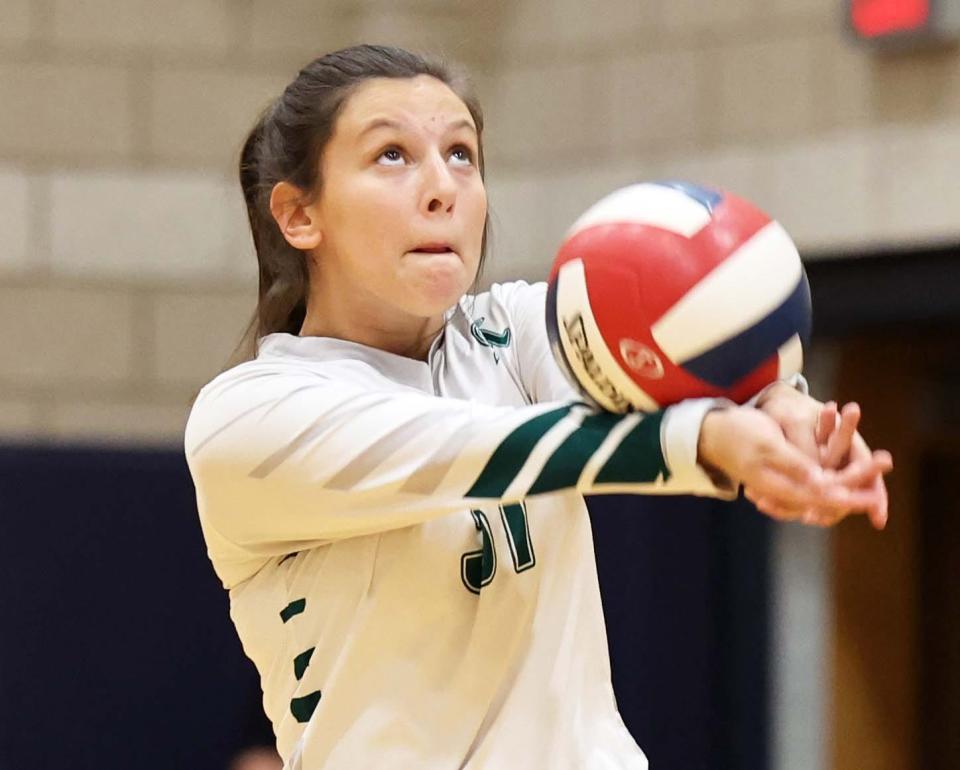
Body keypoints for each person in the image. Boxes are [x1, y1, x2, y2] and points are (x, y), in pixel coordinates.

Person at [185, 44, 892, 769]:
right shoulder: (249, 417)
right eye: (392, 156)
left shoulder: (515, 330)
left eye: (461, 154)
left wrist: (784, 409)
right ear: (299, 215)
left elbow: (677, 364)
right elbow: (483, 449)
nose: (443, 187)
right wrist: (708, 441)